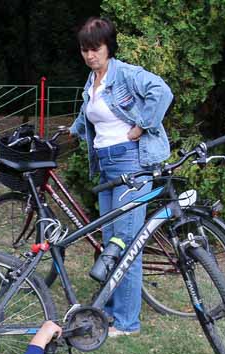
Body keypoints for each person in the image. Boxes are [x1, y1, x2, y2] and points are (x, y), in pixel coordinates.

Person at [69, 17, 173, 337]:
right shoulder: (92, 81)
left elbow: (162, 91)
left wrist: (142, 125)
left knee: (125, 243)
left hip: (131, 163)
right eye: (85, 50)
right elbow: (88, 116)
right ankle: (112, 310)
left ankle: (128, 322)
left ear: (108, 47)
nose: (90, 55)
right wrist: (69, 132)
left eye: (96, 48)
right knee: (111, 241)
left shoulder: (125, 74)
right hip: (106, 166)